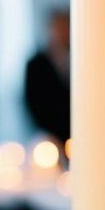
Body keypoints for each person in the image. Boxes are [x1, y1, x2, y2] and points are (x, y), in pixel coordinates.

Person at [24, 9, 70, 148]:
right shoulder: (35, 64)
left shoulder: (80, 59)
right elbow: (32, 100)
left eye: (65, 27)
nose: (61, 32)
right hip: (48, 136)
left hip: (75, 132)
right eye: (57, 27)